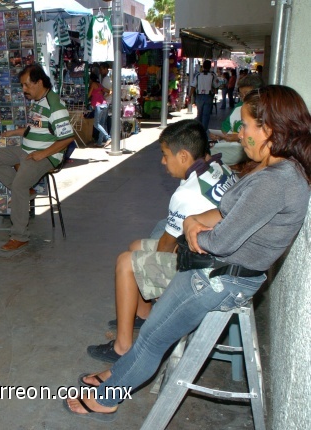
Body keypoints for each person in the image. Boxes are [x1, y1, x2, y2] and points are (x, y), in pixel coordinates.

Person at [66, 85, 311, 420]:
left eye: (245, 125)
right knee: (153, 330)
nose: (240, 134)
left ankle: (107, 397)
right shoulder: (276, 171)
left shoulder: (276, 181)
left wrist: (196, 231)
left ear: (268, 129)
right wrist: (196, 222)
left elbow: (221, 241)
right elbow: (226, 213)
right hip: (223, 272)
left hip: (218, 279)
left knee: (153, 338)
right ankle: (119, 373)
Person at [86, 120, 238, 363]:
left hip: (206, 273)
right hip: (220, 254)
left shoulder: (188, 193)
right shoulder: (219, 168)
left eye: (166, 155)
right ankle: (144, 314)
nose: (162, 161)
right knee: (137, 246)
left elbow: (165, 247)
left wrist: (149, 270)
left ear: (184, 156)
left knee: (126, 262)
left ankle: (122, 346)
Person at [0, 64, 74, 251]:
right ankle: (26, 193)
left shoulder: (54, 106)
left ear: (39, 82)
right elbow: (34, 127)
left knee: (19, 185)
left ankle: (19, 236)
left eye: (26, 85)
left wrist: (42, 154)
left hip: (47, 156)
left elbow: (68, 138)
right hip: (27, 150)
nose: (24, 89)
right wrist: (14, 133)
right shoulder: (37, 101)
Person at [209, 74, 265, 167]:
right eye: (241, 95)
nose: (243, 98)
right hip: (230, 146)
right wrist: (220, 136)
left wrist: (237, 138)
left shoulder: (260, 110)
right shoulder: (239, 106)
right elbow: (226, 128)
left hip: (242, 149)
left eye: (246, 94)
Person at [189, 59, 219, 132]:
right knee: (206, 115)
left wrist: (189, 96)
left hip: (199, 96)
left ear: (203, 66)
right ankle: (203, 130)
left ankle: (198, 129)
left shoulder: (198, 75)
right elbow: (216, 86)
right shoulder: (212, 75)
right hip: (208, 96)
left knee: (199, 114)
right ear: (210, 67)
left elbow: (193, 86)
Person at [88, 74, 111, 148]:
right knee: (102, 124)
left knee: (96, 124)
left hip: (98, 106)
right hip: (105, 105)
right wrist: (103, 96)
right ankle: (99, 142)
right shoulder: (100, 85)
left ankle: (108, 137)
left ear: (91, 79)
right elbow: (110, 91)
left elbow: (88, 95)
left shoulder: (93, 84)